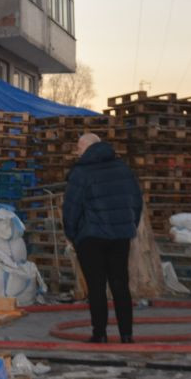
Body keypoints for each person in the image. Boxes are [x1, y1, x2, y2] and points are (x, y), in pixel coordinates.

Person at [63, 132, 143, 344]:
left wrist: (72, 234)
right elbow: (136, 200)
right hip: (119, 236)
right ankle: (127, 334)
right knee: (120, 285)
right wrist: (129, 226)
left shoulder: (81, 173)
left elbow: (71, 207)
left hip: (91, 238)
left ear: (88, 148)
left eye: (79, 147)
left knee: (96, 287)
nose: (76, 151)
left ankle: (100, 333)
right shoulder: (123, 169)